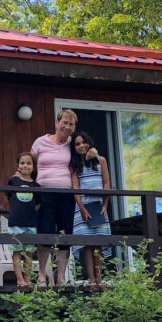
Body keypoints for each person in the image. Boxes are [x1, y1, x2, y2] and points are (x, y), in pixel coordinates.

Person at [30, 109, 79, 286]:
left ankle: (61, 278)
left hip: (66, 194)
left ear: (74, 127)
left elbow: (87, 149)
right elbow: (29, 163)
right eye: (64, 122)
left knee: (64, 234)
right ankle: (42, 276)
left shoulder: (72, 144)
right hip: (45, 192)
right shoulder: (40, 142)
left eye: (71, 123)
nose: (67, 126)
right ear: (56, 123)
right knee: (45, 232)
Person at [71, 132, 112, 286]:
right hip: (82, 207)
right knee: (87, 244)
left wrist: (105, 205)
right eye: (77, 144)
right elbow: (76, 188)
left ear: (89, 143)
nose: (81, 146)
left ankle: (99, 279)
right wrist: (81, 208)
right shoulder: (75, 166)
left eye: (83, 143)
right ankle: (91, 279)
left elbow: (106, 183)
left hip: (99, 206)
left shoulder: (100, 160)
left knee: (98, 243)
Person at [5, 152, 40, 287]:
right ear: (18, 165)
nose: (25, 165)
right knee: (17, 251)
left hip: (30, 222)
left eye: (29, 163)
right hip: (16, 222)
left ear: (33, 167)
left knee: (29, 253)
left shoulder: (36, 186)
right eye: (22, 163)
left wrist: (29, 211)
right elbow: (8, 196)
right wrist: (15, 209)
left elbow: (38, 203)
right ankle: (19, 280)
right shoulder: (13, 181)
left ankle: (28, 279)